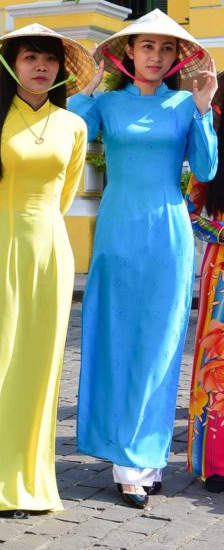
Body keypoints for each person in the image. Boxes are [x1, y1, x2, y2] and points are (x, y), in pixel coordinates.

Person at [72, 9, 219, 508]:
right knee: (116, 336)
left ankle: (145, 454)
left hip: (169, 232)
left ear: (177, 57)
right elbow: (68, 135)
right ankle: (122, 453)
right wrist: (88, 87)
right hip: (117, 231)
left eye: (166, 49)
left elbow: (205, 166)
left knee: (160, 343)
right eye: (147, 47)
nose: (156, 57)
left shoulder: (184, 104)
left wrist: (202, 112)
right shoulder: (107, 104)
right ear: (128, 53)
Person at [0, 24, 93, 517]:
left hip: (52, 249)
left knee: (41, 364)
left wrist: (42, 231)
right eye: (31, 58)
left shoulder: (73, 126)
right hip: (1, 246)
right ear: (11, 67)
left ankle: (32, 479)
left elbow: (66, 194)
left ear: (60, 70)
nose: (41, 67)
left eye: (49, 60)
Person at [185, 73, 224, 494]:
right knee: (219, 364)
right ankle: (216, 462)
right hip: (222, 270)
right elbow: (193, 215)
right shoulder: (212, 160)